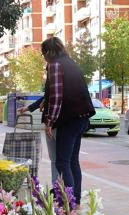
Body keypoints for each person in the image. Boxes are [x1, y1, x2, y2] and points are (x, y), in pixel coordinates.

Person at [41, 36, 95, 205]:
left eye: (43, 54)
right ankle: (76, 201)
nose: (43, 57)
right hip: (81, 118)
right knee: (73, 161)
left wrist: (49, 122)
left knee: (62, 162)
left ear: (48, 52)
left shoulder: (55, 65)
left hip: (69, 120)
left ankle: (70, 204)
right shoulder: (71, 63)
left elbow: (57, 98)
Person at [19, 92, 60, 187]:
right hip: (50, 123)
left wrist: (49, 122)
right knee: (54, 158)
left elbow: (56, 97)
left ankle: (65, 191)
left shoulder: (58, 79)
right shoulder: (52, 82)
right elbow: (47, 96)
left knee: (63, 160)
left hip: (57, 123)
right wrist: (28, 108)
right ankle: (56, 188)